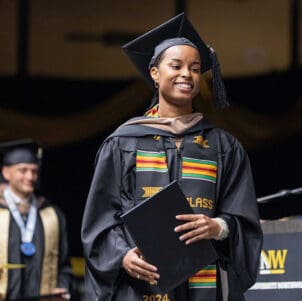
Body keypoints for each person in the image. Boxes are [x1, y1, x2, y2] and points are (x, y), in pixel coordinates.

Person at [81, 13, 263, 301]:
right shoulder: (123, 143)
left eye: (194, 68)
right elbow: (100, 220)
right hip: (141, 284)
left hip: (203, 284)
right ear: (155, 73)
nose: (186, 75)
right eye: (176, 66)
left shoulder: (223, 146)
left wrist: (218, 227)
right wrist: (122, 255)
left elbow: (244, 220)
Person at [0, 139, 72, 301]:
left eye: (34, 171)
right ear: (6, 173)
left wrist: (64, 288)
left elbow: (64, 264)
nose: (30, 176)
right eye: (23, 170)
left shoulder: (51, 213)